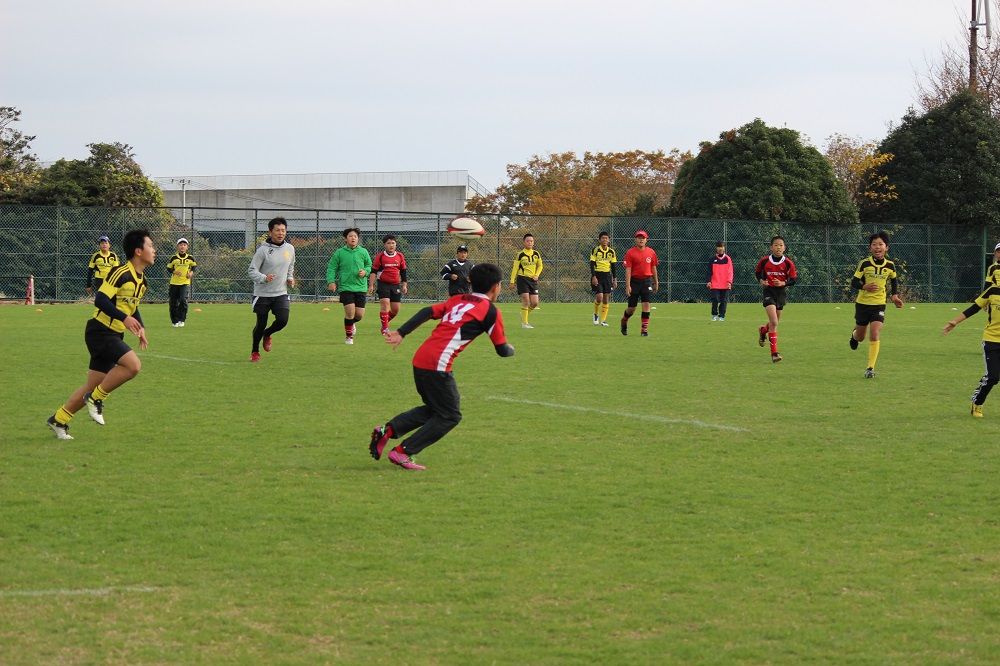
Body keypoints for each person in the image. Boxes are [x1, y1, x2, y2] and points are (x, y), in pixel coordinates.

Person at [369, 263, 515, 470]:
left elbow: (427, 311)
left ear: (471, 283)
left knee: (436, 410)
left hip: (421, 359)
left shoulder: (458, 299)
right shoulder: (489, 311)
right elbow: (502, 350)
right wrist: (512, 349)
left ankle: (387, 431)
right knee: (450, 416)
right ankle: (403, 451)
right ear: (496, 286)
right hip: (437, 364)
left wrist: (402, 332)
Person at [46, 229, 156, 440]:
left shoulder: (142, 282)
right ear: (138, 251)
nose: (154, 250)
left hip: (114, 334)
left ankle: (59, 419)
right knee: (133, 366)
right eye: (150, 246)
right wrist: (124, 318)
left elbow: (132, 306)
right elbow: (101, 299)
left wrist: (140, 327)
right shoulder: (120, 272)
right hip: (100, 331)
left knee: (93, 384)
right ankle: (95, 399)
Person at [848, 232, 903, 378]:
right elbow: (854, 282)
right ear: (870, 247)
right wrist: (864, 286)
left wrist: (895, 296)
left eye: (880, 244)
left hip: (879, 304)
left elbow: (894, 280)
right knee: (860, 337)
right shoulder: (864, 263)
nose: (877, 247)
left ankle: (870, 368)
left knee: (874, 333)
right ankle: (854, 336)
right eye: (874, 244)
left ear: (886, 247)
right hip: (862, 304)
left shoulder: (890, 265)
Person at [943, 282, 1000, 418]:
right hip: (992, 340)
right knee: (992, 377)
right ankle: (977, 402)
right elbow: (975, 308)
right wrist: (955, 321)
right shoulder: (993, 291)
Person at [248, 217, 296, 362]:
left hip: (281, 292)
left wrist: (290, 277)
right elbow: (251, 271)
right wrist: (264, 277)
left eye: (283, 230)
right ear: (270, 232)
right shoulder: (262, 251)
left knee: (282, 320)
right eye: (277, 230)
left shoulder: (290, 248)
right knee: (260, 324)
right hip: (262, 294)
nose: (281, 233)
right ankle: (255, 351)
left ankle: (267, 334)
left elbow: (291, 265)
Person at [755, 236, 797, 363]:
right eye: (776, 245)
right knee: (774, 322)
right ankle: (774, 353)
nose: (778, 247)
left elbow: (793, 280)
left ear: (784, 248)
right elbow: (757, 273)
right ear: (771, 247)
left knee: (774, 322)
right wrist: (762, 281)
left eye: (781, 245)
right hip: (768, 292)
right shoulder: (764, 261)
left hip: (780, 294)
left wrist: (783, 283)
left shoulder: (788, 263)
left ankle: (763, 330)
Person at [326, 227, 372, 344]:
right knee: (350, 312)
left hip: (361, 287)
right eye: (350, 236)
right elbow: (331, 267)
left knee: (359, 315)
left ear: (358, 239)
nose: (353, 238)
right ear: (345, 239)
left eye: (355, 236)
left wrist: (365, 272)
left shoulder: (363, 252)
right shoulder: (339, 253)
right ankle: (349, 337)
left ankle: (351, 324)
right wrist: (331, 281)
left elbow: (369, 265)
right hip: (346, 287)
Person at [620, 230, 658, 337]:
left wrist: (656, 281)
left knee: (646, 304)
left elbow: (653, 267)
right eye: (639, 238)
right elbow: (628, 270)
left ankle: (644, 330)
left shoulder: (651, 252)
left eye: (643, 238)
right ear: (635, 240)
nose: (641, 240)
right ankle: (624, 320)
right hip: (634, 282)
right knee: (631, 309)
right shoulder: (630, 253)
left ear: (646, 240)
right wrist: (628, 285)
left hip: (647, 281)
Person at [369, 234, 408, 335]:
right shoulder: (380, 256)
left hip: (395, 284)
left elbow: (403, 271)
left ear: (396, 244)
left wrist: (404, 285)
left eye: (393, 243)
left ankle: (384, 324)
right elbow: (373, 271)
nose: (391, 245)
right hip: (383, 284)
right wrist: (371, 285)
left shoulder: (400, 256)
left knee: (395, 310)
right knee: (385, 304)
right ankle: (385, 328)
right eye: (389, 243)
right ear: (384, 245)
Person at [510, 233, 543, 329]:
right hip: (522, 279)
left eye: (531, 241)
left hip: (533, 280)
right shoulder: (520, 254)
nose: (530, 242)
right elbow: (515, 268)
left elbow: (540, 266)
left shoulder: (536, 254)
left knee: (535, 303)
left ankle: (524, 313)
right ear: (524, 242)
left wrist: (537, 275)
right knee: (526, 300)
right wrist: (512, 281)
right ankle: (525, 323)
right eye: (528, 241)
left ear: (533, 242)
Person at [166, 238, 197, 327]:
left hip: (185, 283)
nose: (182, 246)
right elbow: (168, 268)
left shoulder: (190, 258)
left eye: (184, 245)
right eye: (180, 245)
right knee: (173, 303)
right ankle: (175, 321)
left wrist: (191, 273)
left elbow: (194, 266)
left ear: (187, 247)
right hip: (174, 283)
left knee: (183, 300)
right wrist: (174, 271)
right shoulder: (174, 258)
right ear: (177, 247)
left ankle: (182, 319)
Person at [590, 231, 618, 326]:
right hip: (597, 275)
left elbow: (613, 266)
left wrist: (615, 279)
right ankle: (595, 314)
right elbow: (592, 264)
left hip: (607, 276)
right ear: (599, 240)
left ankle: (603, 320)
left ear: (609, 240)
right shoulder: (595, 250)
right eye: (603, 238)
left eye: (606, 238)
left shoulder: (611, 251)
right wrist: (594, 276)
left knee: (606, 298)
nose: (605, 240)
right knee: (599, 297)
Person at [706, 241, 734, 321]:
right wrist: (709, 281)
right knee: (715, 299)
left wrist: (729, 282)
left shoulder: (728, 259)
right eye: (718, 247)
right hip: (715, 283)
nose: (720, 248)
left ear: (724, 248)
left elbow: (730, 271)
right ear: (716, 248)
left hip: (725, 284)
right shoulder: (712, 259)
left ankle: (722, 316)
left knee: (724, 301)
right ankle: (714, 315)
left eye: (722, 246)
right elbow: (709, 272)